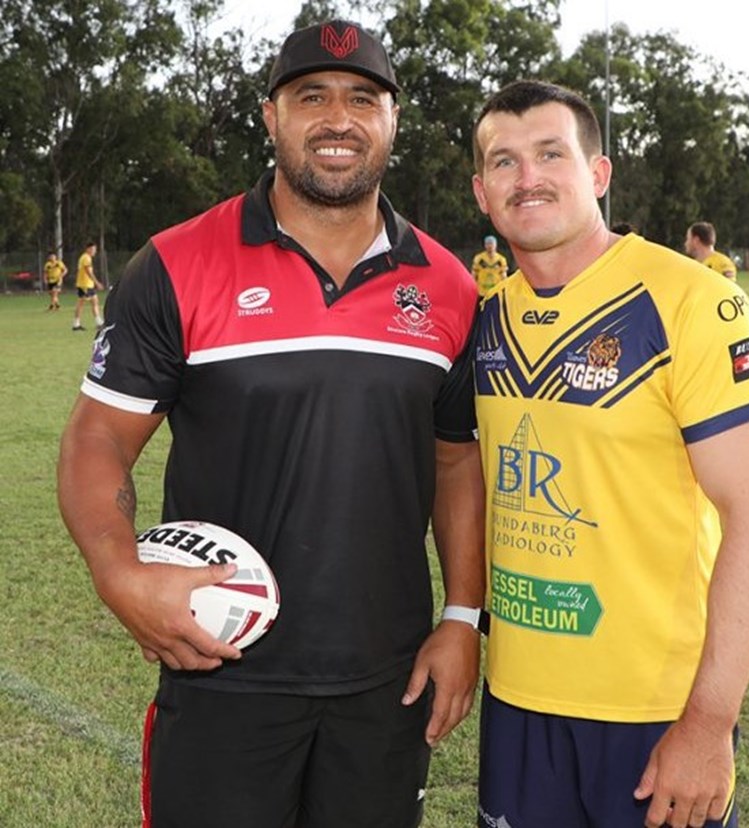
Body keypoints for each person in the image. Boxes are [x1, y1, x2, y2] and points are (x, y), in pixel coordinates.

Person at [57, 19, 485, 828]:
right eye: (310, 97)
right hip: (221, 664)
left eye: (363, 98)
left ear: (393, 120)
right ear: (271, 117)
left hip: (386, 681)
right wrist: (118, 572)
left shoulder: (449, 285)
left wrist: (462, 617)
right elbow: (98, 438)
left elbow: (456, 462)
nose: (338, 119)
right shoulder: (178, 264)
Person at [470, 80, 749, 828]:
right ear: (482, 192)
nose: (529, 178)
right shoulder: (487, 319)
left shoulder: (690, 301)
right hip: (517, 702)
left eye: (551, 154)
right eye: (505, 163)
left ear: (599, 174)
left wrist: (709, 722)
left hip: (655, 713)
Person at [72, 241, 104, 331]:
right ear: (88, 249)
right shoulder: (86, 258)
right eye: (93, 249)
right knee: (82, 303)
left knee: (94, 301)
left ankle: (98, 322)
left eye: (95, 249)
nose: (95, 251)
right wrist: (97, 283)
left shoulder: (85, 257)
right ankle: (76, 324)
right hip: (85, 284)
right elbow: (88, 271)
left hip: (86, 284)